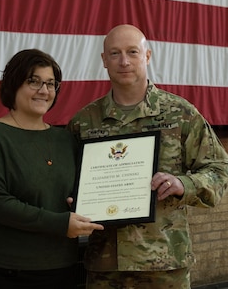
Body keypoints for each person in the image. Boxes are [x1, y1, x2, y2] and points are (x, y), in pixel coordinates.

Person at [67, 25, 228, 289]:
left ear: (148, 56)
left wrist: (183, 185)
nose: (124, 61)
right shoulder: (84, 122)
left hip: (165, 265)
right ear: (104, 60)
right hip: (106, 267)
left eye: (132, 52)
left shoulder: (181, 114)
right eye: (115, 53)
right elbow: (65, 179)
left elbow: (220, 170)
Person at [0, 48, 104, 289]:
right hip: (4, 270)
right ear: (13, 84)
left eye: (51, 84)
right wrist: (60, 224)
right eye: (34, 81)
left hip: (62, 267)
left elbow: (81, 191)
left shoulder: (66, 140)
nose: (44, 91)